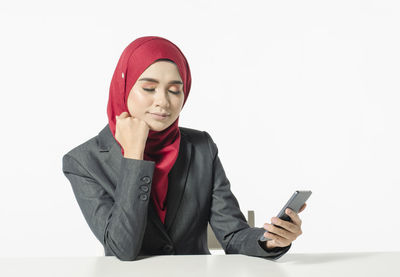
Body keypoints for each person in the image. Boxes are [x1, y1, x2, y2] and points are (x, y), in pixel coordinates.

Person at [62, 36, 306, 261]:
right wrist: (134, 156)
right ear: (124, 87)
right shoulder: (84, 162)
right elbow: (122, 249)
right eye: (149, 88)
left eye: (175, 90)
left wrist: (270, 242)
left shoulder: (202, 148)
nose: (163, 101)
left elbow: (232, 235)